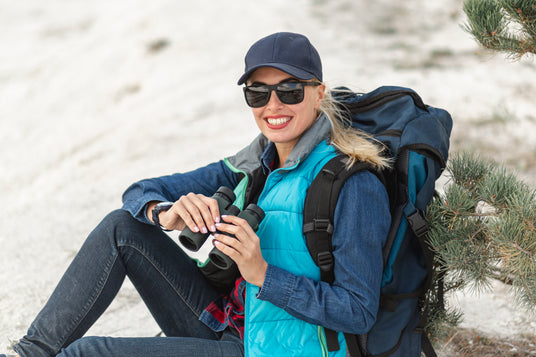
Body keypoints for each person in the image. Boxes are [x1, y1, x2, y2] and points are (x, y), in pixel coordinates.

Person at [3, 32, 399, 357]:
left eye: (290, 90)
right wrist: (165, 213)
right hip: (228, 322)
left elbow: (358, 311)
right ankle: (31, 353)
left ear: (318, 92)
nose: (273, 105)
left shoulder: (353, 184)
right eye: (258, 93)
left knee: (86, 354)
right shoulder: (254, 164)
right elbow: (139, 192)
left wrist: (262, 273)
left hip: (273, 349)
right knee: (121, 229)